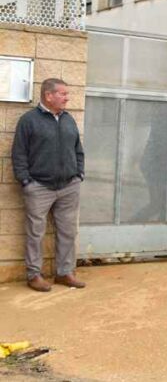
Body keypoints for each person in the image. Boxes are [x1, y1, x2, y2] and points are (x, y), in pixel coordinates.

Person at [11, 78, 86, 292]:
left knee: (68, 231)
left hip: (69, 186)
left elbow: (78, 149)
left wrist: (79, 173)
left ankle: (65, 273)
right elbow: (18, 153)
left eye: (66, 93)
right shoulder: (28, 120)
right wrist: (26, 180)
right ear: (48, 95)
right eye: (63, 94)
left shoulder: (68, 119)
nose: (67, 97)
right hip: (39, 187)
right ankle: (34, 275)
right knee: (36, 233)